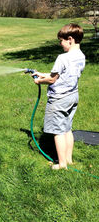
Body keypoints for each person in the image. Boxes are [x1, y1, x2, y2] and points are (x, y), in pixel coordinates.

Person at [32, 23, 86, 170]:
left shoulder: (63, 58)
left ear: (70, 39)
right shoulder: (81, 56)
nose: (60, 44)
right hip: (72, 96)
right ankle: (68, 160)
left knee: (58, 131)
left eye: (61, 41)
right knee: (67, 129)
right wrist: (43, 73)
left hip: (59, 99)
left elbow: (52, 79)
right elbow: (62, 75)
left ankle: (61, 165)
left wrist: (39, 80)